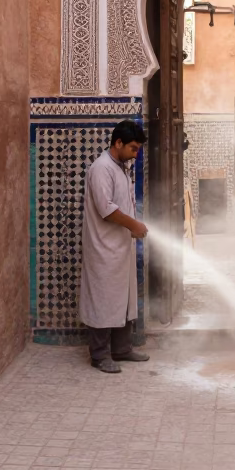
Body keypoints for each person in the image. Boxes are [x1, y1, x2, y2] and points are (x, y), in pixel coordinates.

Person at [80, 119, 150, 373]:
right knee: (104, 298)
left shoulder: (122, 167)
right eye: (133, 147)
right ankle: (99, 355)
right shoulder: (102, 168)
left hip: (121, 247)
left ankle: (121, 350)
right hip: (104, 248)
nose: (136, 153)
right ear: (117, 143)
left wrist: (132, 226)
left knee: (124, 297)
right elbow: (106, 209)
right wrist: (133, 225)